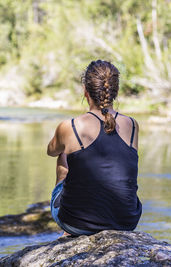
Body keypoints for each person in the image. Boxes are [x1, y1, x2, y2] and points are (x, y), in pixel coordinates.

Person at [47, 60, 142, 237]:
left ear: (85, 90)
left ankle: (67, 232)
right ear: (116, 92)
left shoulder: (71, 126)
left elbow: (51, 150)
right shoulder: (132, 125)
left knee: (62, 154)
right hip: (126, 222)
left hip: (77, 224)